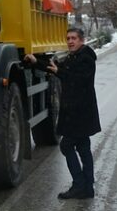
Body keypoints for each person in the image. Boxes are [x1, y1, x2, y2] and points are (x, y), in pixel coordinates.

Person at [24, 28, 101, 199]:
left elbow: (76, 79)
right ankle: (87, 187)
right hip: (78, 112)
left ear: (82, 40)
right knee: (82, 146)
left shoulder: (86, 58)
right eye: (68, 39)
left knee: (66, 146)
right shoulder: (74, 57)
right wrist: (36, 61)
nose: (70, 41)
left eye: (74, 38)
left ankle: (79, 185)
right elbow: (56, 68)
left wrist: (59, 71)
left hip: (80, 112)